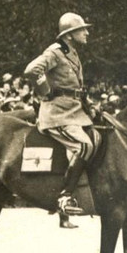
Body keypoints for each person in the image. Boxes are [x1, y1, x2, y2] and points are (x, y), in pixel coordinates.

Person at [24, 12, 95, 216]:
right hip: (57, 115)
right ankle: (65, 196)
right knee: (84, 146)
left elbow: (74, 87)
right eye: (82, 29)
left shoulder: (71, 52)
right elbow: (31, 70)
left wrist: (89, 104)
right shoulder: (55, 51)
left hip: (73, 112)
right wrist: (45, 90)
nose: (87, 32)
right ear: (69, 34)